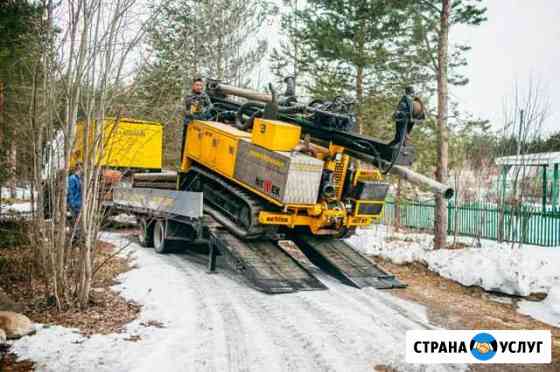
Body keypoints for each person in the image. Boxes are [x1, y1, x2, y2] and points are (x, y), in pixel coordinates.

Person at [67, 162, 82, 240]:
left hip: (79, 203)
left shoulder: (80, 178)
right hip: (75, 204)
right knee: (74, 221)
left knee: (78, 222)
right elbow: (70, 192)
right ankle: (73, 238)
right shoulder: (72, 178)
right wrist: (72, 204)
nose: (80, 170)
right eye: (79, 168)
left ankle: (76, 237)